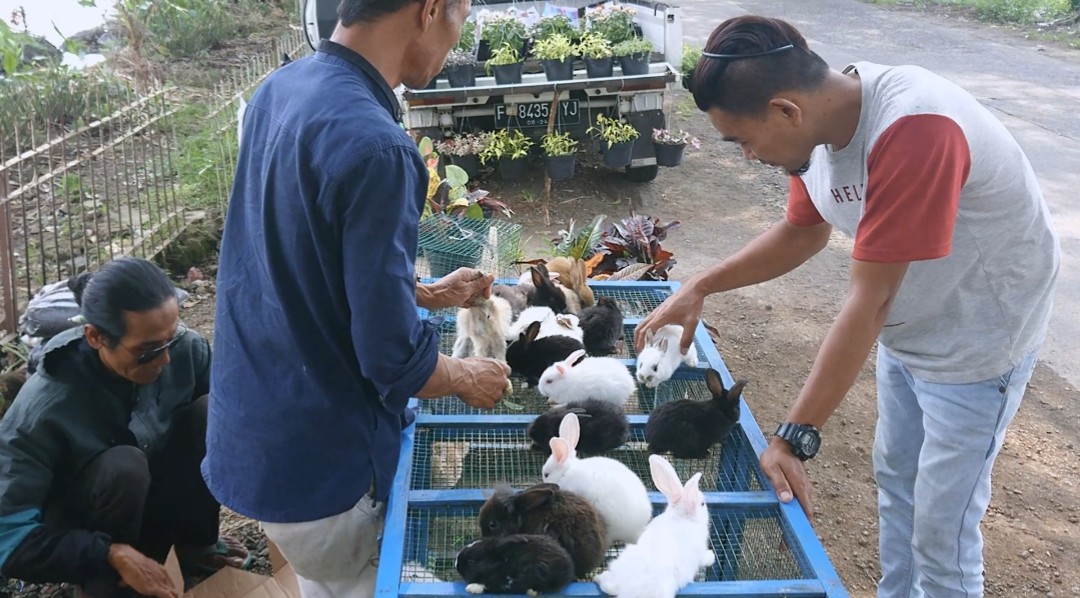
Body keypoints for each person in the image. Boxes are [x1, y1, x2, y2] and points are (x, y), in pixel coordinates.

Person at [636, 15, 1060, 598]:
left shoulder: (915, 127)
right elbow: (801, 234)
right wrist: (700, 286)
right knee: (897, 480)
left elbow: (871, 296)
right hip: (912, 324)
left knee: (943, 528)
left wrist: (792, 435)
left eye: (742, 140)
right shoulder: (813, 139)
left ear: (787, 110)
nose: (747, 156)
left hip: (977, 337)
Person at [202, 0, 511, 595]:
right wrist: (464, 375)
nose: (454, 44)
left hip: (260, 435)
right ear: (429, 10)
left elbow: (296, 258)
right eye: (460, 22)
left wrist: (419, 293)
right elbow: (392, 357)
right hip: (323, 466)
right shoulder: (378, 147)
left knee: (326, 584)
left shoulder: (283, 88)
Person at [0, 257, 251, 598]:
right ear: (96, 337)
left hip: (151, 495)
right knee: (124, 466)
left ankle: (195, 546)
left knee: (210, 413)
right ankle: (108, 586)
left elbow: (230, 430)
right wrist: (105, 554)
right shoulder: (42, 410)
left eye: (169, 339)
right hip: (90, 525)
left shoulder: (185, 350)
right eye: (147, 351)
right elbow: (7, 537)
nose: (165, 360)